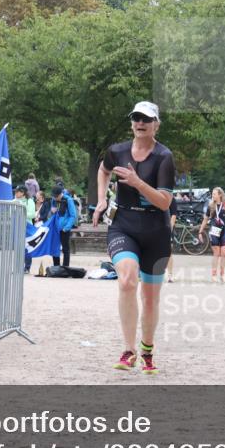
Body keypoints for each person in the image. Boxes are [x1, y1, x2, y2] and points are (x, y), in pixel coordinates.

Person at [93, 101, 175, 375]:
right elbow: (103, 170)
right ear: (131, 122)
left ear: (156, 124)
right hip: (124, 225)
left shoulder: (164, 157)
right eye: (136, 118)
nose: (140, 123)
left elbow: (164, 203)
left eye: (146, 119)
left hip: (156, 231)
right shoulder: (117, 151)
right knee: (127, 280)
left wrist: (138, 182)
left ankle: (147, 349)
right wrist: (103, 199)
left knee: (150, 298)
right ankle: (128, 350)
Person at [38, 182, 77, 267]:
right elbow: (52, 214)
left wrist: (66, 228)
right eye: (53, 196)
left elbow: (73, 216)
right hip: (55, 228)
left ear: (61, 194)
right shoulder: (53, 200)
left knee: (65, 249)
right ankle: (56, 266)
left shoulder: (68, 200)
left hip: (64, 229)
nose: (55, 198)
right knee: (55, 247)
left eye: (56, 196)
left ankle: (65, 267)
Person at [198, 187, 225, 283]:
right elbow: (205, 219)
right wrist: (200, 232)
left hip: (224, 231)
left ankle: (223, 274)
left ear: (220, 195)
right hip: (214, 231)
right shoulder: (210, 206)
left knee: (224, 253)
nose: (212, 195)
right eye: (212, 194)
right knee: (216, 253)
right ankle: (214, 274)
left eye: (214, 194)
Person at [14, 185, 36, 272]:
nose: (15, 193)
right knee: (18, 247)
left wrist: (21, 212)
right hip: (18, 225)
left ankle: (27, 267)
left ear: (22, 193)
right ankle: (18, 267)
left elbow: (32, 214)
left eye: (17, 191)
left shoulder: (29, 201)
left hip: (27, 226)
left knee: (27, 247)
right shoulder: (15, 201)